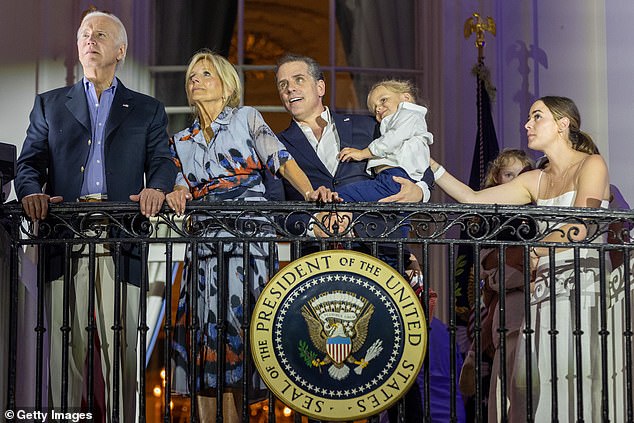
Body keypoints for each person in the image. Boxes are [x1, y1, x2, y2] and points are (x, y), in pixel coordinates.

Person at [14, 10, 177, 421]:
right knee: (65, 351)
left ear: (119, 51)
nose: (90, 39)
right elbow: (29, 163)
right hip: (65, 237)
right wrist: (32, 192)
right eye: (84, 34)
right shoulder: (49, 104)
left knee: (122, 349)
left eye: (100, 34)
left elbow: (161, 161)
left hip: (121, 238)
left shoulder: (147, 109)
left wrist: (157, 188)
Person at [165, 50, 333, 423]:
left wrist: (309, 194)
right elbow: (179, 183)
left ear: (226, 87)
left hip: (248, 249)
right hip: (206, 253)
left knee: (239, 346)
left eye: (205, 74)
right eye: (192, 75)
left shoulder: (246, 118)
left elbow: (282, 160)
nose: (195, 80)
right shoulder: (182, 139)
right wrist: (177, 192)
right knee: (205, 351)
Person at [274, 53, 432, 423]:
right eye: (282, 84)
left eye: (297, 79)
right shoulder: (277, 144)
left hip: (381, 252)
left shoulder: (366, 126)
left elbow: (415, 156)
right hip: (316, 267)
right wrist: (313, 226)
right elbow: (275, 208)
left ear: (320, 87)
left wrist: (421, 190)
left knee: (395, 361)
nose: (289, 88)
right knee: (317, 370)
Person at [431, 96, 610, 421]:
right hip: (542, 292)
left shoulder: (591, 164)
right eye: (528, 117)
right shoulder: (535, 179)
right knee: (535, 384)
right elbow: (473, 199)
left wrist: (534, 249)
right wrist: (430, 166)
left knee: (572, 379)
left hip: (581, 289)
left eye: (536, 116)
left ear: (562, 124)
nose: (527, 124)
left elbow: (581, 225)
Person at [457, 149, 535, 422]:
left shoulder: (534, 215)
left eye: (521, 175)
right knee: (507, 375)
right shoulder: (492, 218)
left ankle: (475, 358)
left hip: (533, 294)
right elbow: (489, 264)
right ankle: (475, 359)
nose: (515, 180)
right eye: (509, 175)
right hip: (505, 296)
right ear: (498, 179)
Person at [337, 79, 433, 203]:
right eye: (374, 108)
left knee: (343, 195)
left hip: (396, 178)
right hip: (390, 178)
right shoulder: (400, 121)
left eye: (383, 100)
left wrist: (362, 154)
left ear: (406, 98)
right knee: (396, 219)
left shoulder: (410, 114)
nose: (378, 109)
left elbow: (392, 140)